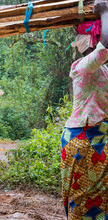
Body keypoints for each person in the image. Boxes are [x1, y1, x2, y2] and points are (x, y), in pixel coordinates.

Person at [61, 1, 108, 219]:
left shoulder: (104, 70)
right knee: (83, 199)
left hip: (99, 138)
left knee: (101, 197)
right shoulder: (80, 67)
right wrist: (104, 11)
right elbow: (106, 46)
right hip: (83, 138)